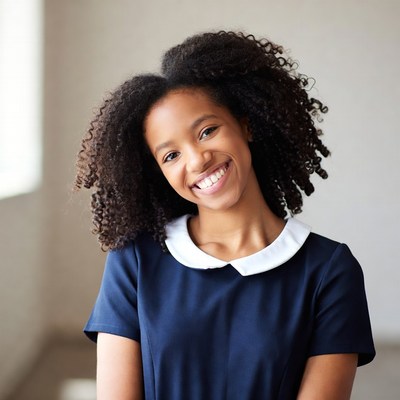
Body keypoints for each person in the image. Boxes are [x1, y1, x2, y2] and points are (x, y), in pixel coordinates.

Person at [75, 31, 375, 400]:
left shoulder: (329, 271)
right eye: (171, 155)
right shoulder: (135, 260)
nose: (197, 160)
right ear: (159, 173)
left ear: (245, 125)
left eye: (207, 131)